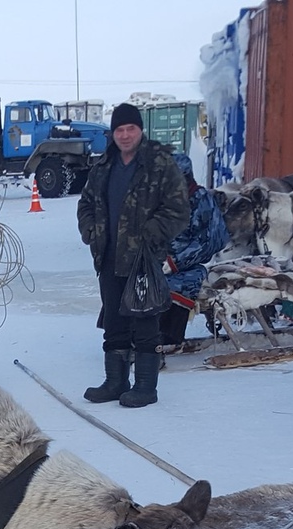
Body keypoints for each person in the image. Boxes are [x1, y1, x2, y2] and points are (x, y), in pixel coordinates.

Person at [75, 103, 190, 407]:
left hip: (143, 260)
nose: (125, 135)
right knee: (113, 322)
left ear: (140, 130)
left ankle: (145, 387)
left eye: (131, 129)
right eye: (119, 130)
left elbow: (179, 210)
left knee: (144, 321)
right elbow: (85, 204)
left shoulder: (159, 164)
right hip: (108, 257)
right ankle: (115, 382)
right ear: (113, 133)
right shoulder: (103, 167)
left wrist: (151, 234)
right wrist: (91, 231)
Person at [159, 170, 231, 352]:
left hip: (188, 264)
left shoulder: (202, 200)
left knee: (171, 287)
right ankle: (125, 337)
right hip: (159, 261)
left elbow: (213, 239)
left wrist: (176, 261)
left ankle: (164, 339)